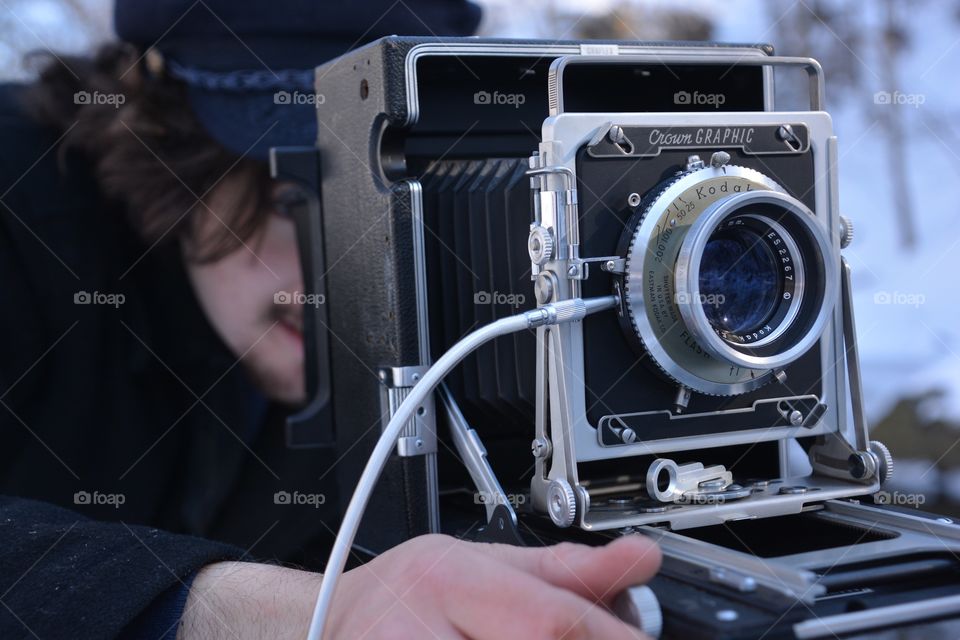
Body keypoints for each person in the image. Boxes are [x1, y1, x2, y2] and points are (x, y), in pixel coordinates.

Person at [0, 1, 662, 638]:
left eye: (386, 207)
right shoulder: (21, 203)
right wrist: (264, 614)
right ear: (164, 138)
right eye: (299, 199)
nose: (338, 275)